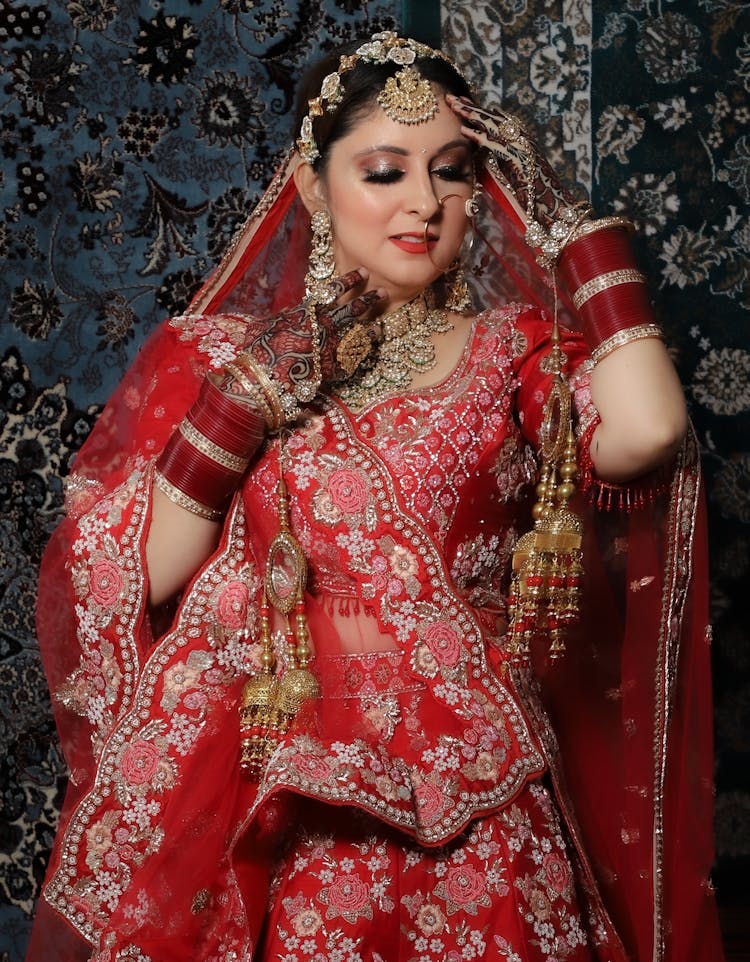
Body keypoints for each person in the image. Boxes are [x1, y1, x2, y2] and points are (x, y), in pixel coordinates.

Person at [29, 31, 724, 962]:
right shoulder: (227, 364)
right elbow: (133, 578)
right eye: (385, 171)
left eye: (455, 171)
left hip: (488, 810)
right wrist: (240, 413)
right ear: (314, 187)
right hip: (300, 818)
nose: (425, 204)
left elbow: (647, 431)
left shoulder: (511, 353)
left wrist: (567, 221)